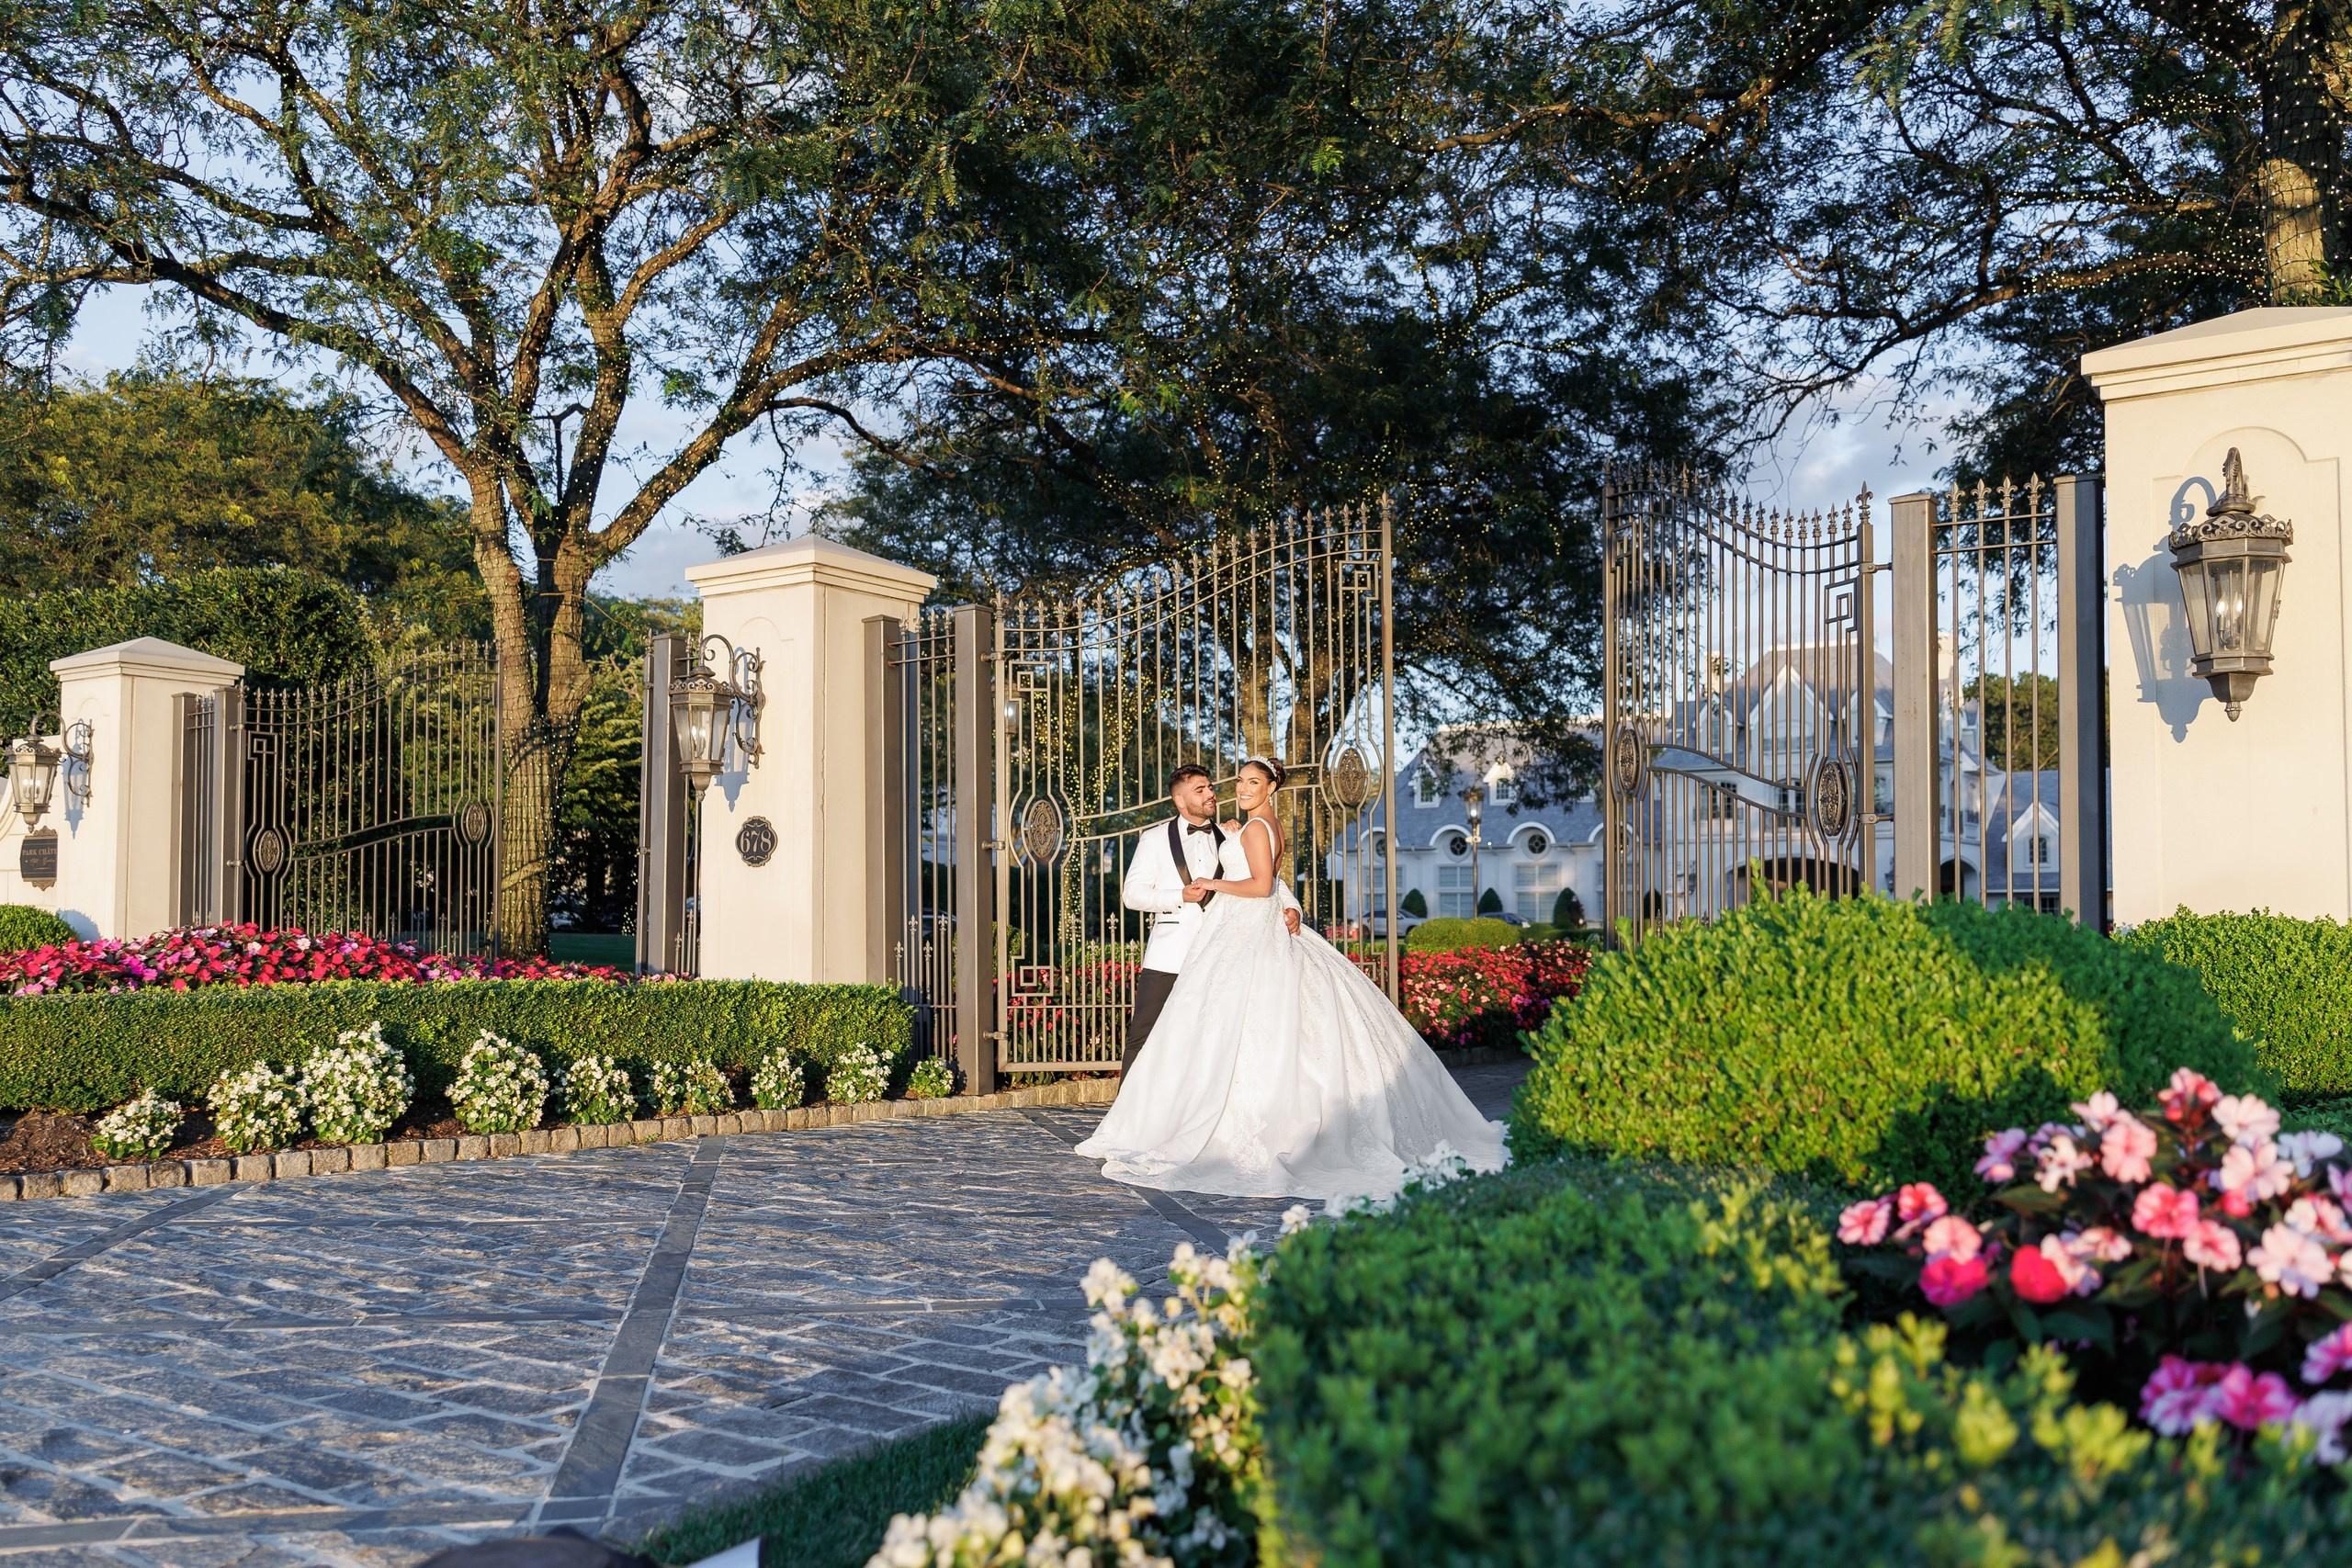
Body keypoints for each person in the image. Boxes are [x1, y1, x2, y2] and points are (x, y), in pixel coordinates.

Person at [1076, 755, 1508, 1202]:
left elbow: (1267, 884)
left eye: (1245, 783)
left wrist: (1283, 905)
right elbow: (1134, 894)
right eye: (1223, 785)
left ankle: (1204, 1124)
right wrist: (1184, 891)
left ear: (1269, 788)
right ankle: (1137, 1117)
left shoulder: (1254, 829)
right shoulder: (1180, 836)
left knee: (1227, 1039)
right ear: (1179, 798)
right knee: (1156, 1037)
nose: (1229, 791)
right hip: (1181, 947)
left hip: (1235, 942)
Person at [1116, 762, 1298, 1077]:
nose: (1211, 794)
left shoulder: (1232, 836)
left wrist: (1293, 906)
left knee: (1209, 1043)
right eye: (1200, 790)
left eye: (1210, 787)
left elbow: (1265, 878)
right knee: (1143, 1038)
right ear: (1180, 801)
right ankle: (1126, 1118)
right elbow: (1131, 895)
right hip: (1169, 957)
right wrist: (1178, 896)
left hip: (1221, 954)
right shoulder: (1154, 838)